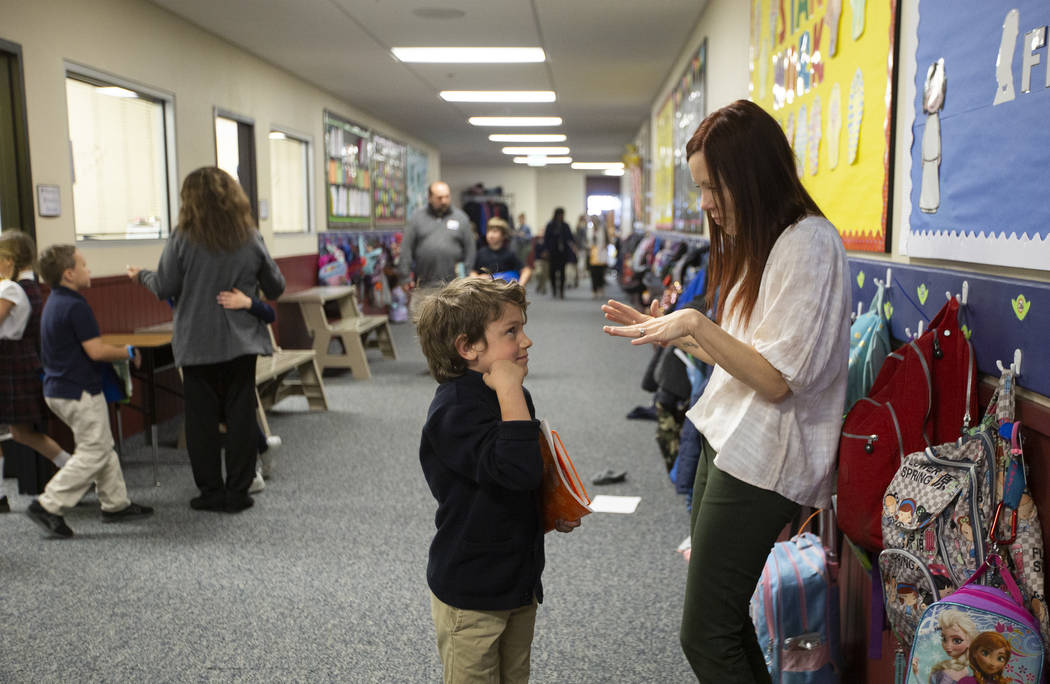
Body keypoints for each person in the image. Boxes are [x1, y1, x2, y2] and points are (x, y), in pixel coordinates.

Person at [602, 99, 850, 681]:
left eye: (714, 186)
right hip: (726, 437)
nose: (706, 203)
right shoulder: (757, 243)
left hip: (766, 457)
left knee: (704, 635)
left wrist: (693, 324)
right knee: (723, 621)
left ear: (752, 173)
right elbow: (743, 356)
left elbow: (775, 379)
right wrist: (671, 333)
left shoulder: (810, 244)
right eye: (700, 188)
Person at [414, 277, 581, 683]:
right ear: (468, 347)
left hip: (517, 580)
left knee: (513, 676)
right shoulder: (454, 411)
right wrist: (510, 393)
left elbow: (524, 474)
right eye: (511, 331)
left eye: (522, 328)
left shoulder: (509, 394)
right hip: (473, 592)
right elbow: (514, 469)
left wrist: (549, 507)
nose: (526, 341)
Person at [129, 166, 285, 514]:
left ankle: (211, 492)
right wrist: (247, 293)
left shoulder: (182, 237)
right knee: (241, 415)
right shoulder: (249, 236)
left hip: (196, 343)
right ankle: (239, 492)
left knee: (200, 421)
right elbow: (276, 286)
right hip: (240, 342)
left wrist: (142, 276)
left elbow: (166, 287)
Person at [24, 245, 154, 538]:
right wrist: (127, 351)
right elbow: (95, 351)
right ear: (69, 274)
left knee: (101, 445)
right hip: (78, 390)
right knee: (94, 449)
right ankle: (48, 504)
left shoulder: (54, 301)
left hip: (58, 389)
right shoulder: (75, 305)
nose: (89, 270)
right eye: (84, 265)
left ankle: (115, 504)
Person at [0, 231, 74, 513]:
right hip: (19, 360)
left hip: (9, 363)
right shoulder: (28, 286)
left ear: (8, 260)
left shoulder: (10, 289)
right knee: (20, 433)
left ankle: (73, 472)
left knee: (22, 432)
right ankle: (72, 470)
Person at [215, 286, 284, 492]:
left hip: (239, 360)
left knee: (234, 414)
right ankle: (263, 447)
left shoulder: (239, 292)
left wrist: (247, 303)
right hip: (214, 358)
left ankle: (251, 472)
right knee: (227, 414)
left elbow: (269, 313)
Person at [400, 181, 475, 316]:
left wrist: (468, 274)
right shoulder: (417, 218)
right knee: (425, 326)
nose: (444, 201)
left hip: (454, 286)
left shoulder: (461, 218)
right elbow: (406, 248)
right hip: (424, 285)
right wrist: (404, 276)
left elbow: (470, 249)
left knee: (454, 326)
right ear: (430, 198)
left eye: (447, 196)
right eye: (439, 198)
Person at [470, 217, 532, 286]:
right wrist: (477, 279)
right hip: (485, 292)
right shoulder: (480, 253)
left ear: (504, 235)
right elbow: (473, 272)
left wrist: (520, 286)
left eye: (495, 231)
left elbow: (526, 271)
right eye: (488, 231)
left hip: (504, 293)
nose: (490, 235)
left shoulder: (509, 253)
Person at [542, 208, 576, 299]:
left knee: (562, 272)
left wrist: (573, 246)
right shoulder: (550, 225)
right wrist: (546, 250)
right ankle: (554, 290)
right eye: (560, 214)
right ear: (556, 215)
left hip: (563, 253)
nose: (561, 216)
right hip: (553, 253)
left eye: (562, 215)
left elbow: (570, 238)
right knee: (552, 272)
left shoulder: (565, 225)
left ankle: (561, 291)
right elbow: (546, 239)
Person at [588, 214, 612, 300]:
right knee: (593, 274)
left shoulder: (603, 229)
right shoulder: (590, 230)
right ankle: (594, 291)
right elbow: (589, 242)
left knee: (600, 274)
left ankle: (601, 289)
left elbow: (608, 241)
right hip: (593, 255)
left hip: (602, 254)